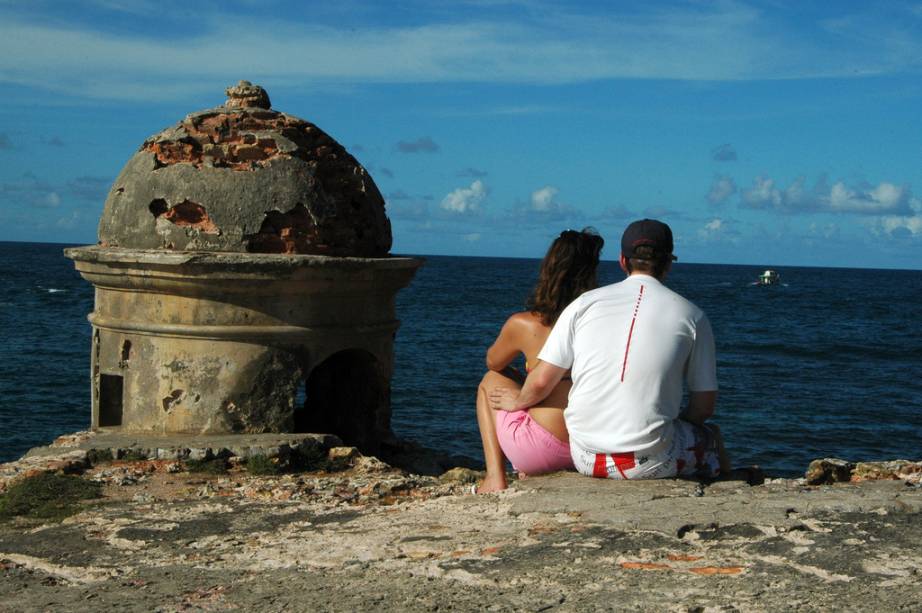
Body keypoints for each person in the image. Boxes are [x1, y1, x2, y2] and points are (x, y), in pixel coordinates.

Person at [490, 219, 730, 480]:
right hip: (650, 462)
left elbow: (541, 381)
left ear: (623, 261)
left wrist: (517, 401)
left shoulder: (583, 305)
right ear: (669, 263)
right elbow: (703, 408)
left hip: (585, 457)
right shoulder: (693, 316)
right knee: (711, 435)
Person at [475, 228, 604, 493]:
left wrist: (529, 372)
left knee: (490, 381)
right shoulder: (601, 320)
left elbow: (493, 362)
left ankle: (495, 477)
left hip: (542, 449)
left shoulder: (524, 324)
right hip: (592, 444)